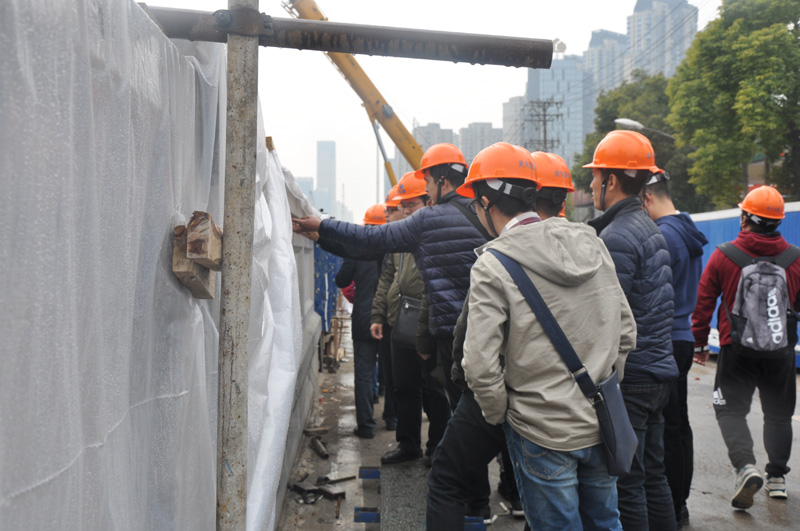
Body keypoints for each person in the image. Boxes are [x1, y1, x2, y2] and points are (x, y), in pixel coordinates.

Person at [457, 142, 636, 530]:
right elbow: (626, 332)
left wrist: (501, 413)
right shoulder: (591, 242)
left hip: (539, 431)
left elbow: (480, 366)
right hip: (599, 420)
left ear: (486, 201)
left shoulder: (493, 264)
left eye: (474, 204)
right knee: (606, 522)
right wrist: (603, 385)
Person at [585, 130, 678, 531]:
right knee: (653, 475)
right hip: (657, 372)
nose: (591, 185)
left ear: (612, 180)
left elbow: (609, 317)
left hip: (634, 377)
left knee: (628, 481)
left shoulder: (617, 236)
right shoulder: (649, 227)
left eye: (595, 176)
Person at [692, 185, 800, 509]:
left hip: (736, 349)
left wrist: (700, 342)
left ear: (745, 218)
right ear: (778, 221)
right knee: (779, 414)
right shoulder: (795, 259)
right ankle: (777, 478)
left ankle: (745, 467)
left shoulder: (724, 255)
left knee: (728, 408)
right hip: (780, 351)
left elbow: (704, 303)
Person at [370, 173, 451, 465]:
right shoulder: (400, 237)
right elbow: (387, 277)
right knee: (403, 387)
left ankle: (437, 446)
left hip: (428, 324)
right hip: (400, 321)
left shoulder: (437, 233)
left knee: (433, 389)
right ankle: (408, 444)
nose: (405, 211)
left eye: (411, 204)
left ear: (428, 202)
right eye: (402, 205)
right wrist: (378, 314)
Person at [642, 172, 708, 527]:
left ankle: (671, 506)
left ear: (647, 198)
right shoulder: (686, 227)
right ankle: (678, 502)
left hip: (665, 338)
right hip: (682, 336)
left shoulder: (664, 235)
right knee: (678, 425)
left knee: (666, 428)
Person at [333, 204, 387, 439]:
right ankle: (392, 419)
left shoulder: (358, 248)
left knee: (364, 373)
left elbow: (342, 279)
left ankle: (366, 426)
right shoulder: (395, 247)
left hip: (364, 317)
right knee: (392, 372)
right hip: (389, 318)